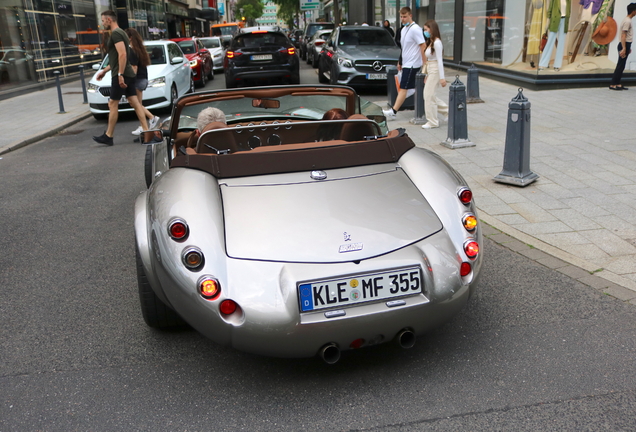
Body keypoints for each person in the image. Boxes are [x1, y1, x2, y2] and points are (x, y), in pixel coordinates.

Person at [92, 10, 149, 146]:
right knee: (135, 103)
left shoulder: (117, 33)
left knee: (113, 103)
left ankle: (109, 136)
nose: (102, 23)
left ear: (109, 20)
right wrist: (105, 71)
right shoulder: (122, 33)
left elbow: (122, 55)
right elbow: (118, 57)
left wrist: (120, 74)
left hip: (121, 73)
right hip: (126, 73)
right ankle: (147, 132)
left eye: (103, 20)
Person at [382, 7, 426, 121]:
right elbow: (404, 48)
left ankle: (393, 111)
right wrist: (400, 61)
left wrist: (425, 64)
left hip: (413, 64)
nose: (403, 19)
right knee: (410, 88)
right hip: (406, 63)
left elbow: (423, 46)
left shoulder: (415, 29)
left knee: (403, 88)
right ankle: (433, 108)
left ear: (410, 15)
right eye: (401, 16)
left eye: (405, 16)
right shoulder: (403, 30)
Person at [125, 28, 160, 135]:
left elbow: (134, 68)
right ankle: (143, 125)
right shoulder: (139, 49)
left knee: (136, 104)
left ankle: (151, 118)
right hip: (142, 78)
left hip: (137, 80)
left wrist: (128, 80)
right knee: (137, 104)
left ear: (130, 38)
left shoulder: (132, 50)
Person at [421, 20, 449, 129]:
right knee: (429, 95)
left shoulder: (437, 42)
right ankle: (447, 111)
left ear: (432, 29)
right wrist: (426, 74)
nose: (425, 32)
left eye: (426, 29)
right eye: (424, 29)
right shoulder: (431, 42)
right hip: (431, 69)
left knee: (428, 95)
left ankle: (432, 121)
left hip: (436, 70)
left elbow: (439, 61)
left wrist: (442, 78)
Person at [610, 3, 636, 90]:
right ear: (633, 11)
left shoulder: (627, 20)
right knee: (620, 65)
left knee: (622, 64)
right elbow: (623, 35)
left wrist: (628, 47)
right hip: (623, 44)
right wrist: (624, 48)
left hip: (626, 44)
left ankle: (617, 83)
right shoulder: (627, 21)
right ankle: (613, 84)